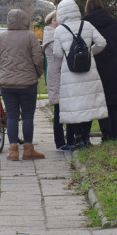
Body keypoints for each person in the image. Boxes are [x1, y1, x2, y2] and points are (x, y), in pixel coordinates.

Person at [0, 8, 45, 161]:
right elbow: (38, 58)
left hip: (7, 84)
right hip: (28, 83)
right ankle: (28, 149)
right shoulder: (30, 37)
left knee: (11, 116)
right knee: (27, 116)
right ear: (26, 20)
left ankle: (13, 151)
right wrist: (37, 72)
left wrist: (1, 66)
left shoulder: (1, 36)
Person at [54, 0, 108, 148]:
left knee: (75, 106)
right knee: (88, 105)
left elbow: (57, 53)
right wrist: (89, 53)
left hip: (70, 73)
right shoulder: (87, 25)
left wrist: (69, 55)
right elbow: (102, 43)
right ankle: (86, 138)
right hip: (89, 70)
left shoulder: (59, 30)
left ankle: (78, 138)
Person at [83, 0, 117, 141]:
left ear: (88, 8)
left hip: (97, 66)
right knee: (114, 103)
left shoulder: (86, 24)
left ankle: (107, 134)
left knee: (101, 102)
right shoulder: (114, 21)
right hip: (115, 65)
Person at [42, 11, 66, 150]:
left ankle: (66, 139)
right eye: (55, 20)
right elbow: (60, 53)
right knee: (58, 107)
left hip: (59, 72)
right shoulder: (51, 36)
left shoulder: (56, 34)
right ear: (51, 21)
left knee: (63, 106)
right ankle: (60, 141)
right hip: (56, 74)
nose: (58, 22)